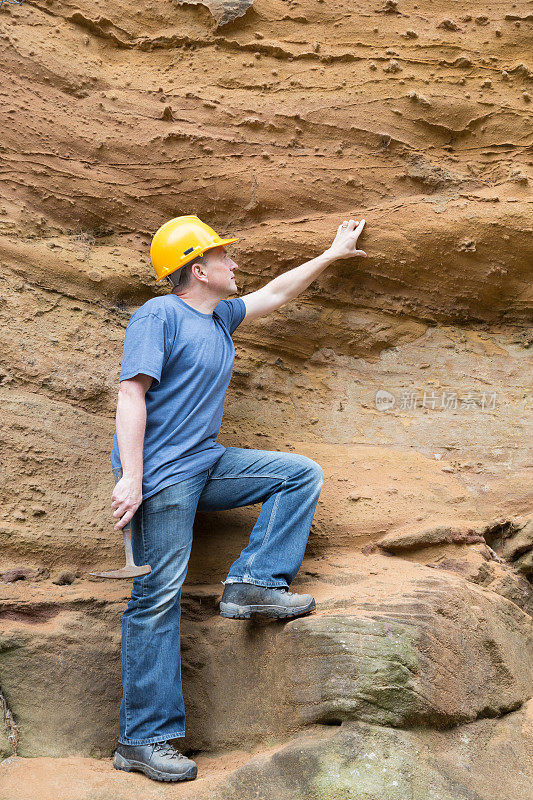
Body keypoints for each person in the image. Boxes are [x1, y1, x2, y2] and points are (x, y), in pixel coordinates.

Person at [109, 214, 367, 782]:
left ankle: (254, 583)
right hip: (162, 475)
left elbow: (274, 292)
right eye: (223, 257)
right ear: (197, 270)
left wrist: (330, 254)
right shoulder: (159, 315)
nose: (234, 263)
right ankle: (143, 739)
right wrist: (132, 476)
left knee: (296, 475)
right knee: (157, 598)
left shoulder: (220, 317)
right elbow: (131, 395)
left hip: (206, 462)